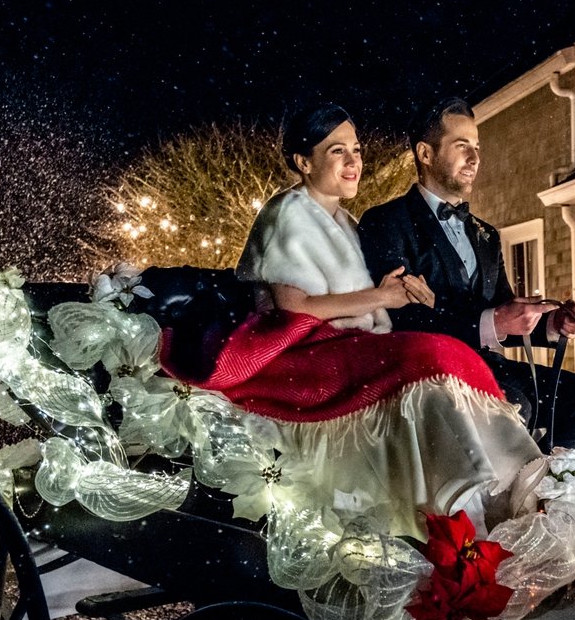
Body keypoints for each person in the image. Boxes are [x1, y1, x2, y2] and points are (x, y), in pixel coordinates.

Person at [170, 103, 543, 537]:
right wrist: (381, 296)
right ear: (303, 162)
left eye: (357, 150)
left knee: (442, 353)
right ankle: (463, 502)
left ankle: (498, 488)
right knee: (428, 352)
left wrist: (397, 292)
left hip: (345, 344)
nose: (354, 162)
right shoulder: (288, 211)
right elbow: (297, 309)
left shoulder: (345, 221)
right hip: (300, 350)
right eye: (337, 152)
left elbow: (366, 296)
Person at [358, 97, 575, 458]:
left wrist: (552, 324)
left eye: (477, 147)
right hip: (431, 374)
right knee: (515, 407)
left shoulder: (486, 235)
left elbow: (501, 312)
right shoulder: (387, 223)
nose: (475, 158)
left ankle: (543, 482)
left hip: (489, 368)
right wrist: (490, 321)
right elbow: (402, 318)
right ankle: (505, 497)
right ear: (425, 153)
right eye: (461, 146)